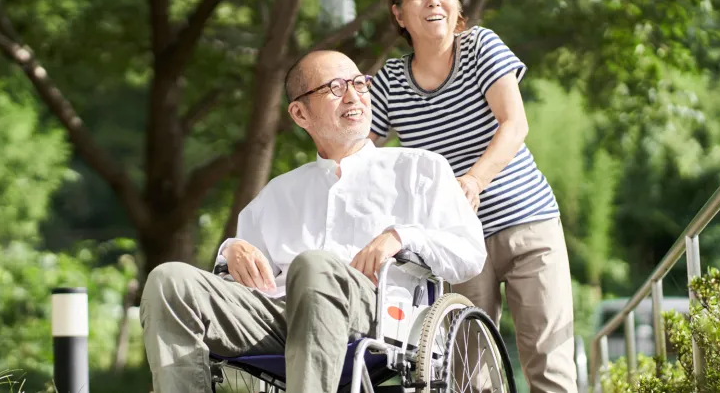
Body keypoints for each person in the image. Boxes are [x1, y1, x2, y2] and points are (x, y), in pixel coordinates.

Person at [140, 50, 487, 393]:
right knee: (169, 281)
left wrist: (401, 236)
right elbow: (240, 281)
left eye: (359, 83)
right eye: (335, 87)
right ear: (300, 113)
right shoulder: (277, 193)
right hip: (277, 317)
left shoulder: (420, 168)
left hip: (379, 313)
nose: (353, 96)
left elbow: (470, 253)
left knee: (314, 265)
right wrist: (231, 251)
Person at [369, 0, 577, 392]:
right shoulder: (389, 82)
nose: (434, 1)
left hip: (527, 222)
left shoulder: (481, 46)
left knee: (548, 362)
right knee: (469, 374)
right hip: (455, 240)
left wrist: (475, 180)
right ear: (399, 14)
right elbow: (360, 155)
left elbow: (514, 123)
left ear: (456, 5)